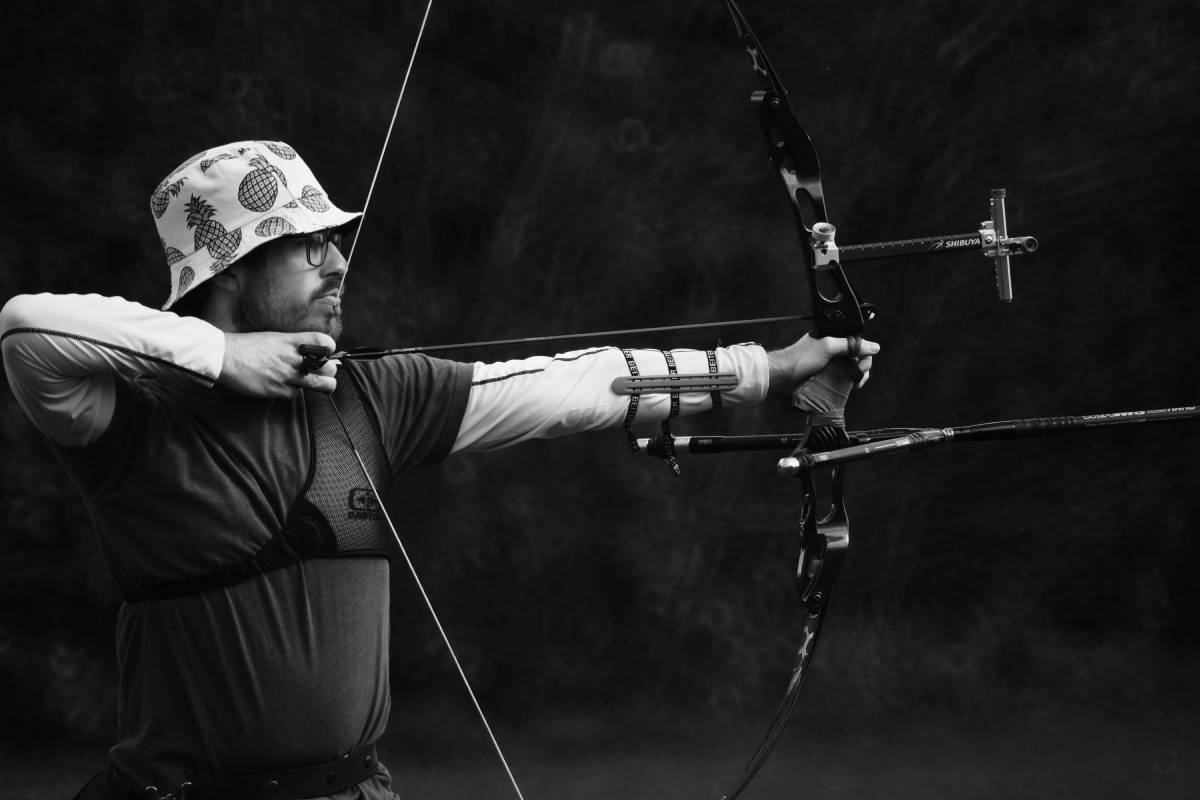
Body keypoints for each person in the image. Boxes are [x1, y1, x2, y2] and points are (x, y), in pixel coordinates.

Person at [0, 140, 878, 800]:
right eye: (307, 245)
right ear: (231, 266)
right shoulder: (129, 416)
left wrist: (771, 369)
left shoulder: (374, 396)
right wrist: (222, 358)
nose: (339, 262)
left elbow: (580, 384)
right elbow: (24, 326)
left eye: (335, 240)